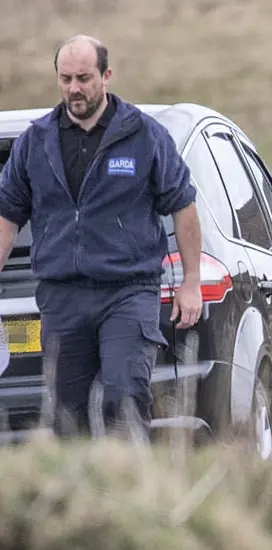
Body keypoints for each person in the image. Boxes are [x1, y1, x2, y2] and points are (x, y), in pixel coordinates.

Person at [0, 35, 203, 441]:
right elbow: (7, 217)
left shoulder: (144, 136)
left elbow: (184, 208)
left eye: (84, 78)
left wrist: (191, 283)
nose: (74, 88)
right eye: (65, 78)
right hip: (62, 296)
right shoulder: (35, 143)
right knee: (66, 412)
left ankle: (130, 491)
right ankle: (83, 499)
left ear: (106, 76)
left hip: (128, 291)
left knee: (123, 394)